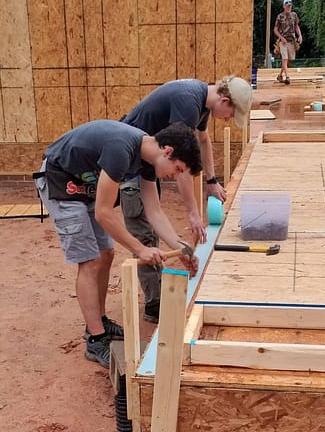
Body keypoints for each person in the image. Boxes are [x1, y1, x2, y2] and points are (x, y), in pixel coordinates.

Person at [35, 120, 202, 367]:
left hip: (85, 184)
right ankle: (95, 339)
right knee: (90, 261)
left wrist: (180, 247)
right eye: (177, 169)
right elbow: (104, 213)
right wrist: (140, 248)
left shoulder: (148, 160)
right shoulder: (121, 149)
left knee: (106, 253)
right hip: (60, 180)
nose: (174, 176)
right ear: (167, 151)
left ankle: (100, 321)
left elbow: (154, 212)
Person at [119, 75, 253, 323]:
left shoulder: (201, 102)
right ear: (224, 100)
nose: (226, 119)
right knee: (145, 233)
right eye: (230, 114)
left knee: (153, 223)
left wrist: (211, 181)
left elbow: (202, 140)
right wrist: (192, 211)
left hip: (148, 166)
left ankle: (157, 293)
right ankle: (155, 303)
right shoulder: (188, 101)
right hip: (129, 166)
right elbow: (181, 163)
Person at [273, 0, 303, 85]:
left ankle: (280, 75)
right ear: (284, 6)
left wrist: (300, 36)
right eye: (287, 6)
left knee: (288, 60)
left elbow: (297, 26)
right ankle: (287, 77)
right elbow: (275, 29)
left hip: (291, 41)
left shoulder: (294, 15)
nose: (289, 7)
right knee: (285, 59)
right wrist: (281, 38)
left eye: (290, 6)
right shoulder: (280, 16)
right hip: (283, 41)